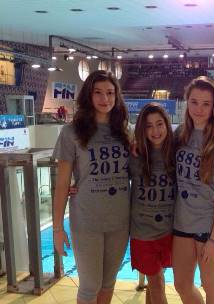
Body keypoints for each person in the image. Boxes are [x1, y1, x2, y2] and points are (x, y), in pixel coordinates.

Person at [53, 70, 131, 304]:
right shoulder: (71, 133)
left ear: (117, 96)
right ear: (89, 95)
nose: (104, 99)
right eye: (98, 93)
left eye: (110, 93)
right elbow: (62, 183)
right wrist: (57, 228)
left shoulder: (125, 132)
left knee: (108, 284)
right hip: (87, 220)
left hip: (119, 220)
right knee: (89, 286)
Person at [172, 76, 214, 304]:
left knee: (210, 284)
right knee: (181, 284)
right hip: (181, 222)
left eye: (206, 104)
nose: (199, 109)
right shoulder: (179, 134)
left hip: (208, 225)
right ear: (187, 103)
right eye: (194, 102)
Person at [129, 102, 176, 304]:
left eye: (159, 124)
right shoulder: (135, 155)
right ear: (142, 129)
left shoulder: (176, 154)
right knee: (156, 282)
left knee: (157, 280)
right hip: (143, 232)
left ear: (167, 124)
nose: (155, 131)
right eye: (148, 126)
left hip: (169, 230)